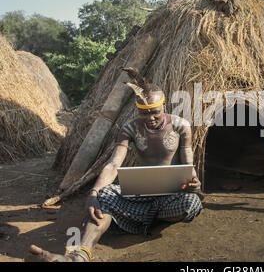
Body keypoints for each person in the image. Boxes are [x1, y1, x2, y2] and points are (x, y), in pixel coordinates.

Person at [26, 70, 203, 262]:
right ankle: (79, 256)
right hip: (139, 195)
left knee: (192, 203)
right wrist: (94, 193)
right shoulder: (130, 128)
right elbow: (113, 164)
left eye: (155, 112)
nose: (150, 118)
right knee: (103, 196)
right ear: (137, 111)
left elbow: (188, 163)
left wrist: (194, 183)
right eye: (144, 113)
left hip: (171, 197)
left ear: (164, 106)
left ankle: (148, 218)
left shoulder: (180, 125)